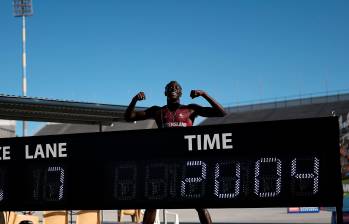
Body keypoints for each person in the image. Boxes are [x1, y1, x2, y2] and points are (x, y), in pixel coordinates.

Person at [125, 80, 226, 224]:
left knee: (199, 204)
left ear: (180, 92)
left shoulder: (190, 109)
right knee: (152, 204)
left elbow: (221, 112)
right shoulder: (158, 111)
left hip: (186, 161)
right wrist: (134, 100)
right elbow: (129, 117)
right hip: (164, 162)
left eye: (176, 87)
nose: (173, 88)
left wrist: (204, 94)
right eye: (169, 87)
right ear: (165, 92)